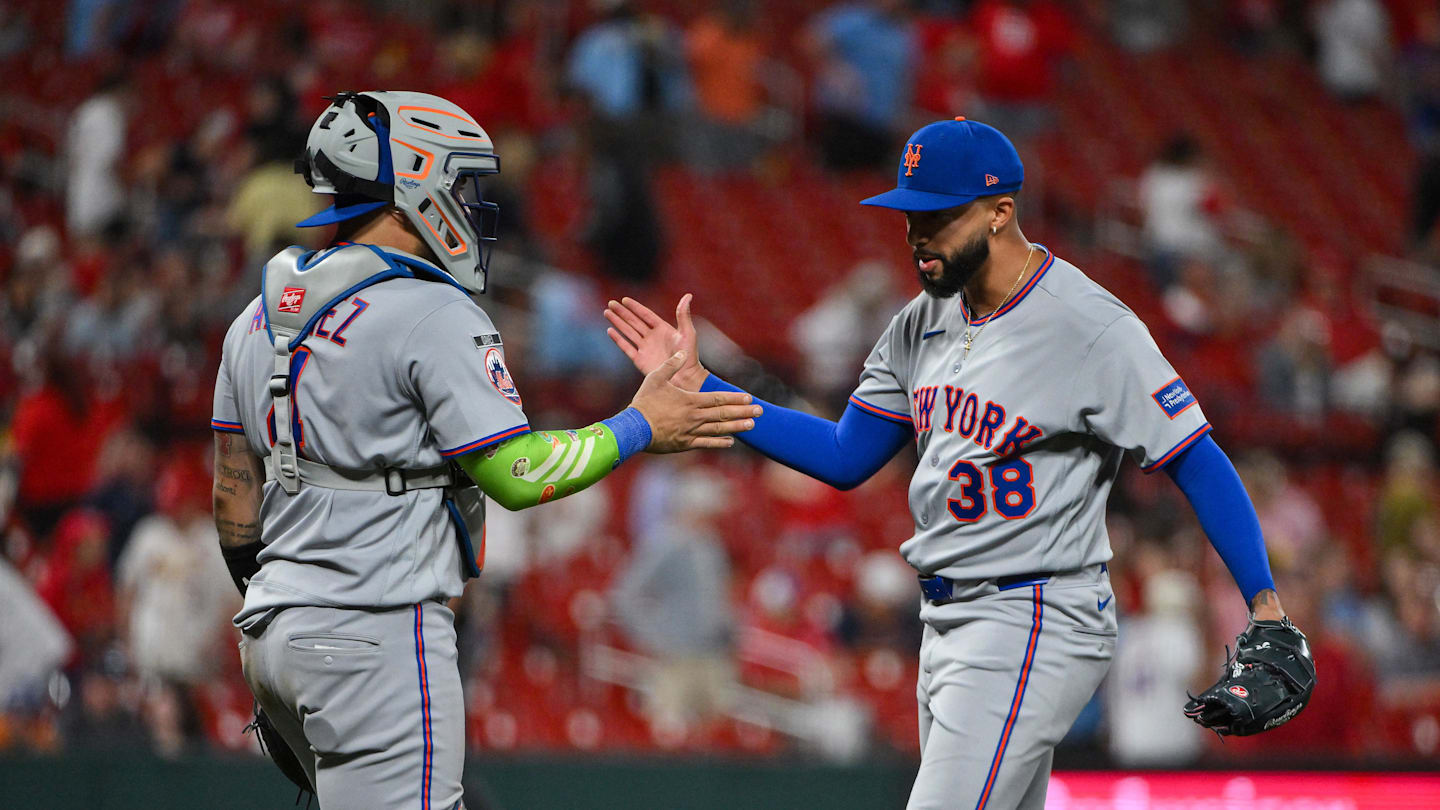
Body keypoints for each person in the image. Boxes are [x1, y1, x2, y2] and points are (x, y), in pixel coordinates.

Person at [605, 117, 1313, 809]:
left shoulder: (1090, 327)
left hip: (1034, 614)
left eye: (937, 218)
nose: (917, 238)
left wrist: (1264, 604)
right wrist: (704, 388)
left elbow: (1197, 458)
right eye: (910, 217)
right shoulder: (919, 322)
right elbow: (846, 454)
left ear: (1000, 212)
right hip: (944, 623)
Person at [210, 91, 760, 810]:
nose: (468, 204)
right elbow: (517, 473)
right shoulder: (431, 310)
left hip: (273, 636)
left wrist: (291, 620)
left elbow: (232, 501)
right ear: (414, 181)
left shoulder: (254, 319)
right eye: (458, 182)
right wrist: (640, 424)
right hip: (376, 628)